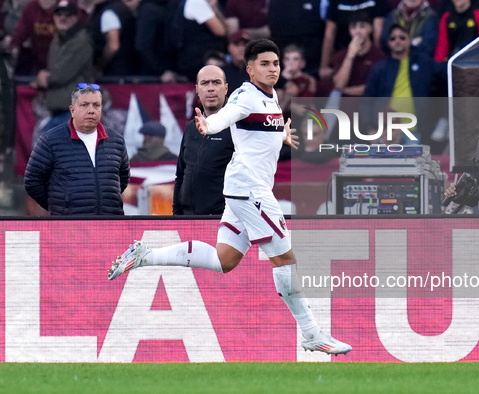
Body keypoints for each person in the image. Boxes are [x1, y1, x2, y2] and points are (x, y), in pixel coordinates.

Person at [108, 39, 352, 355]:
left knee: (225, 260)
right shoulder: (244, 95)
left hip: (240, 190)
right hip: (251, 191)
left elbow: (255, 132)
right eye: (264, 64)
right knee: (285, 260)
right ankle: (312, 333)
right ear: (249, 69)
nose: (273, 69)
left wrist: (281, 136)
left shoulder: (271, 96)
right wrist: (208, 125)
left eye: (275, 63)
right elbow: (229, 114)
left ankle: (145, 256)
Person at [24, 83, 130, 215]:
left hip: (109, 225)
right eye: (84, 105)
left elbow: (122, 180)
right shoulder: (50, 140)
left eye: (96, 105)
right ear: (72, 110)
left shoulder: (116, 141)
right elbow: (32, 182)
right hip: (69, 227)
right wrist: (59, 208)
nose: (91, 110)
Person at [364, 24, 446, 143]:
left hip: (415, 132)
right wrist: (370, 129)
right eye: (393, 38)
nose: (397, 41)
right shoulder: (379, 68)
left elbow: (447, 79)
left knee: (414, 161)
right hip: (385, 132)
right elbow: (367, 101)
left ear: (409, 40)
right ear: (388, 43)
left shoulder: (425, 63)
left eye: (402, 37)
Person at [173, 65, 233, 215]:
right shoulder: (191, 128)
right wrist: (176, 215)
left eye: (216, 82)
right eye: (205, 83)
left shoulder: (237, 126)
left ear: (226, 89)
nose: (210, 88)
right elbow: (181, 174)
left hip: (224, 219)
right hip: (188, 218)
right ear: (197, 90)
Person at [31, 0, 94, 134]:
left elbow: (61, 74)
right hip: (58, 110)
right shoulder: (58, 38)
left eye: (67, 15)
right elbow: (54, 68)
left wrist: (43, 78)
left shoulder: (81, 40)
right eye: (59, 14)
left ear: (75, 18)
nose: (62, 18)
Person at [331, 10, 385, 98]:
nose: (357, 31)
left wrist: (345, 90)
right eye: (353, 27)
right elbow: (339, 85)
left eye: (362, 26)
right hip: (346, 105)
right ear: (349, 30)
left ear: (370, 28)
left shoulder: (379, 55)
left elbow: (374, 87)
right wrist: (350, 56)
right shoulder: (341, 55)